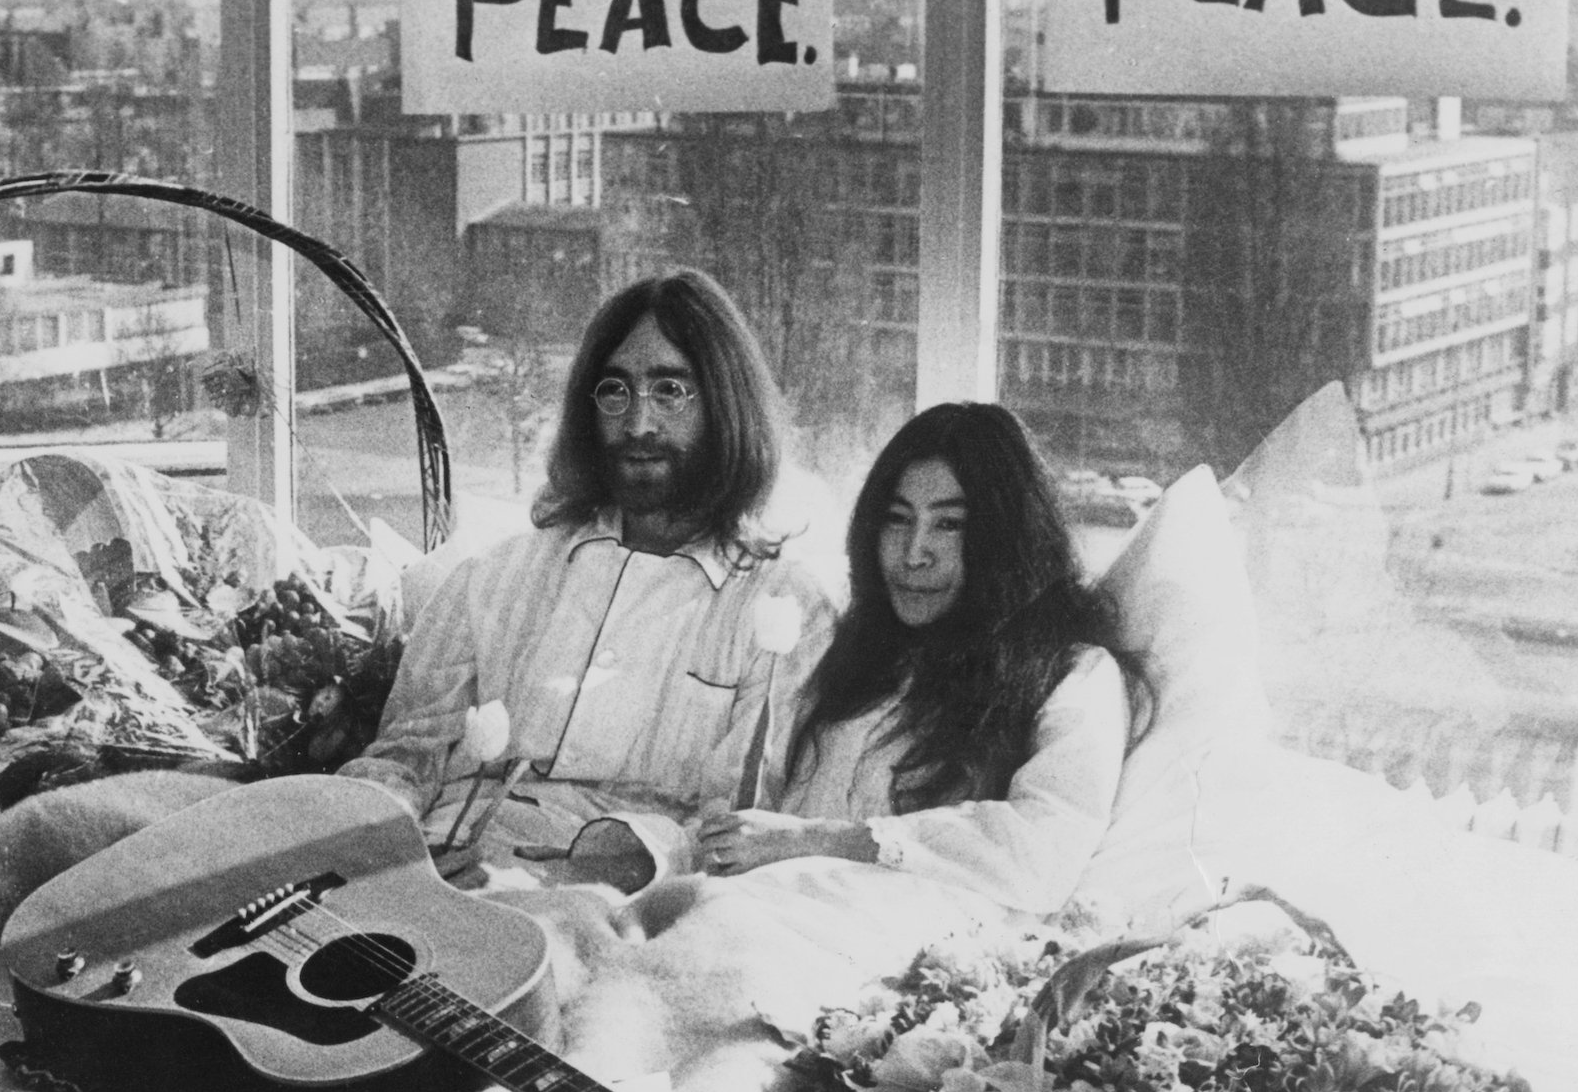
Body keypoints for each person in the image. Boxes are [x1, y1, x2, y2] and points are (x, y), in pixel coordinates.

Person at [341, 270, 832, 889]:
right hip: (433, 862)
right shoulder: (495, 577)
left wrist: (573, 872)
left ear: (727, 407)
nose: (637, 424)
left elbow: (739, 833)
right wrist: (376, 842)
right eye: (615, 391)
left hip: (622, 901)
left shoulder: (783, 608)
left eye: (671, 390)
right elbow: (406, 754)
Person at [696, 403, 1146, 915]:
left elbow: (1040, 854)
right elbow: (739, 808)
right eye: (897, 520)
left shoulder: (1073, 675)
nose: (913, 552)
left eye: (949, 525)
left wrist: (816, 839)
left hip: (883, 951)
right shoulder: (847, 655)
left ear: (1007, 536)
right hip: (756, 914)